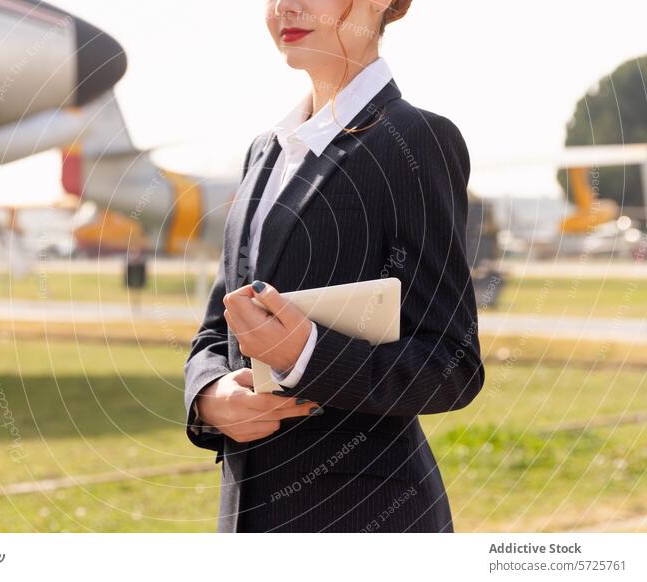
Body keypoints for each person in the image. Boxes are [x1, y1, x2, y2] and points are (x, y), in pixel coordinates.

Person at [183, 0, 484, 533]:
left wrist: (306, 357)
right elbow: (216, 329)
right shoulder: (264, 152)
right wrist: (209, 397)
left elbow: (452, 364)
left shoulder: (415, 140)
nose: (284, 7)